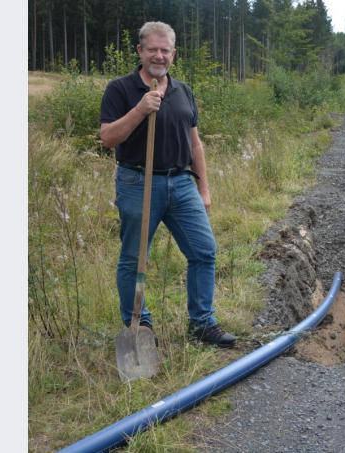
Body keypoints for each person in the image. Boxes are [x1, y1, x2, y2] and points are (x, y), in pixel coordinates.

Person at [99, 21, 235, 348]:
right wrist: (140, 109)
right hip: (137, 181)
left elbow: (195, 143)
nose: (158, 56)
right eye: (152, 49)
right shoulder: (120, 89)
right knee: (134, 258)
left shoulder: (183, 91)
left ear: (173, 54)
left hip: (182, 183)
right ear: (140, 52)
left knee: (204, 251)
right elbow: (107, 138)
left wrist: (204, 188)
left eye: (165, 50)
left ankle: (202, 323)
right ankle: (140, 329)